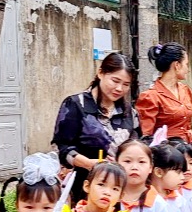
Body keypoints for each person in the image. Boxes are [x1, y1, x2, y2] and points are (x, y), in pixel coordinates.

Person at [52, 52, 140, 197]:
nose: (119, 88)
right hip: (84, 185)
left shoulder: (129, 112)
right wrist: (87, 163)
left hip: (120, 188)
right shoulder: (75, 104)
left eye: (126, 84)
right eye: (115, 81)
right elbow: (61, 146)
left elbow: (138, 144)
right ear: (100, 73)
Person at [137, 43, 192, 142]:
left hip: (188, 147)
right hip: (166, 149)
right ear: (177, 65)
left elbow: (188, 126)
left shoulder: (185, 90)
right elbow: (146, 136)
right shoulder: (151, 96)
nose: (187, 69)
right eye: (186, 64)